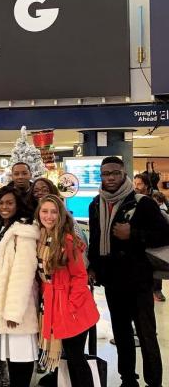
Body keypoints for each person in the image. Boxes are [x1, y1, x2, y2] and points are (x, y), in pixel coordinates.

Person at [88, 157, 169, 387]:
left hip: (139, 281)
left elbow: (164, 235)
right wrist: (94, 267)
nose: (110, 177)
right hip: (112, 281)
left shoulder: (142, 203)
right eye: (106, 173)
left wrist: (133, 234)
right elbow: (95, 239)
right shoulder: (96, 203)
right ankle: (128, 379)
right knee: (122, 333)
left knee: (146, 334)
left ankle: (154, 381)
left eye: (115, 172)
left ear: (124, 173)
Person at [36, 195, 99, 386]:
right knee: (70, 357)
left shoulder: (68, 241)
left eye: (54, 212)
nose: (49, 216)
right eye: (45, 211)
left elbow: (80, 276)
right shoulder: (40, 238)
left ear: (61, 215)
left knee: (75, 357)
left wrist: (71, 307)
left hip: (72, 308)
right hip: (52, 306)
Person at [0, 186, 39, 387]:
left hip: (19, 308)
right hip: (4, 302)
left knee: (21, 357)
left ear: (18, 205)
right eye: (0, 203)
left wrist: (14, 311)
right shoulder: (4, 227)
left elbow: (23, 274)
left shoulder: (23, 231)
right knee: (11, 357)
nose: (4, 207)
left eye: (9, 203)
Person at [133, 173, 166, 301]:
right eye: (134, 184)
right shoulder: (133, 201)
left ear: (146, 185)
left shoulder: (151, 201)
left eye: (139, 184)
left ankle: (157, 290)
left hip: (151, 242)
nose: (136, 186)